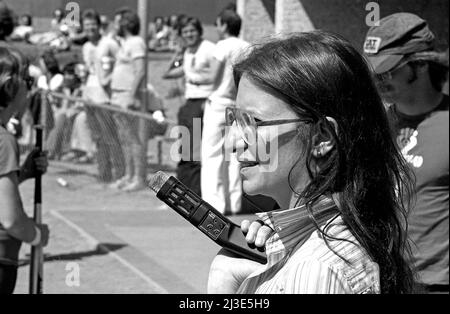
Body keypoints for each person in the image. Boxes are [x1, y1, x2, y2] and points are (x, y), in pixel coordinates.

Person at [207, 31, 415, 294]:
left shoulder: (314, 270)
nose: (235, 140)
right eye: (236, 120)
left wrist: (222, 286)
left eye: (255, 122)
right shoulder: (336, 238)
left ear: (322, 138)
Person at [364, 13, 449, 294]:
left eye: (388, 71)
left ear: (422, 64)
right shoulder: (374, 126)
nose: (379, 81)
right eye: (375, 72)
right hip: (382, 279)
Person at [189, 10, 249, 214]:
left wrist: (194, 76)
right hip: (239, 105)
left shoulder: (222, 46)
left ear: (224, 25)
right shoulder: (247, 47)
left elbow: (212, 77)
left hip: (219, 103)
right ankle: (234, 202)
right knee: (234, 155)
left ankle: (214, 205)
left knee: (213, 153)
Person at [0, 47, 49, 294]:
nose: (29, 90)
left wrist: (25, 172)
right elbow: (10, 219)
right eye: (27, 82)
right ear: (10, 85)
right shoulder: (4, 140)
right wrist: (36, 234)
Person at [163, 17, 216, 196]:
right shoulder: (187, 52)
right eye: (185, 32)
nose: (189, 35)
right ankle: (184, 190)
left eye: (192, 31)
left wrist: (196, 79)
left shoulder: (209, 49)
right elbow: (168, 73)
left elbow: (218, 75)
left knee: (194, 151)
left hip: (203, 101)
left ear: (199, 31)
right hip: (189, 103)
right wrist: (178, 52)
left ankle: (195, 192)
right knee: (184, 149)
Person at [81, 9, 125, 182]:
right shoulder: (86, 46)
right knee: (97, 137)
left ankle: (120, 172)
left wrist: (111, 80)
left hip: (104, 98)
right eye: (87, 25)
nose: (90, 28)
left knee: (110, 136)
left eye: (93, 24)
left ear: (99, 26)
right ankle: (104, 173)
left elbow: (123, 63)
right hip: (89, 97)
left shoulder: (109, 43)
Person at [110, 8, 147, 192]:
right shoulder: (125, 43)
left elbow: (140, 70)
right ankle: (128, 174)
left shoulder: (136, 43)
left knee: (133, 138)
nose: (114, 26)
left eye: (117, 22)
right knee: (124, 138)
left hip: (127, 95)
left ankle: (138, 177)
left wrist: (132, 95)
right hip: (118, 95)